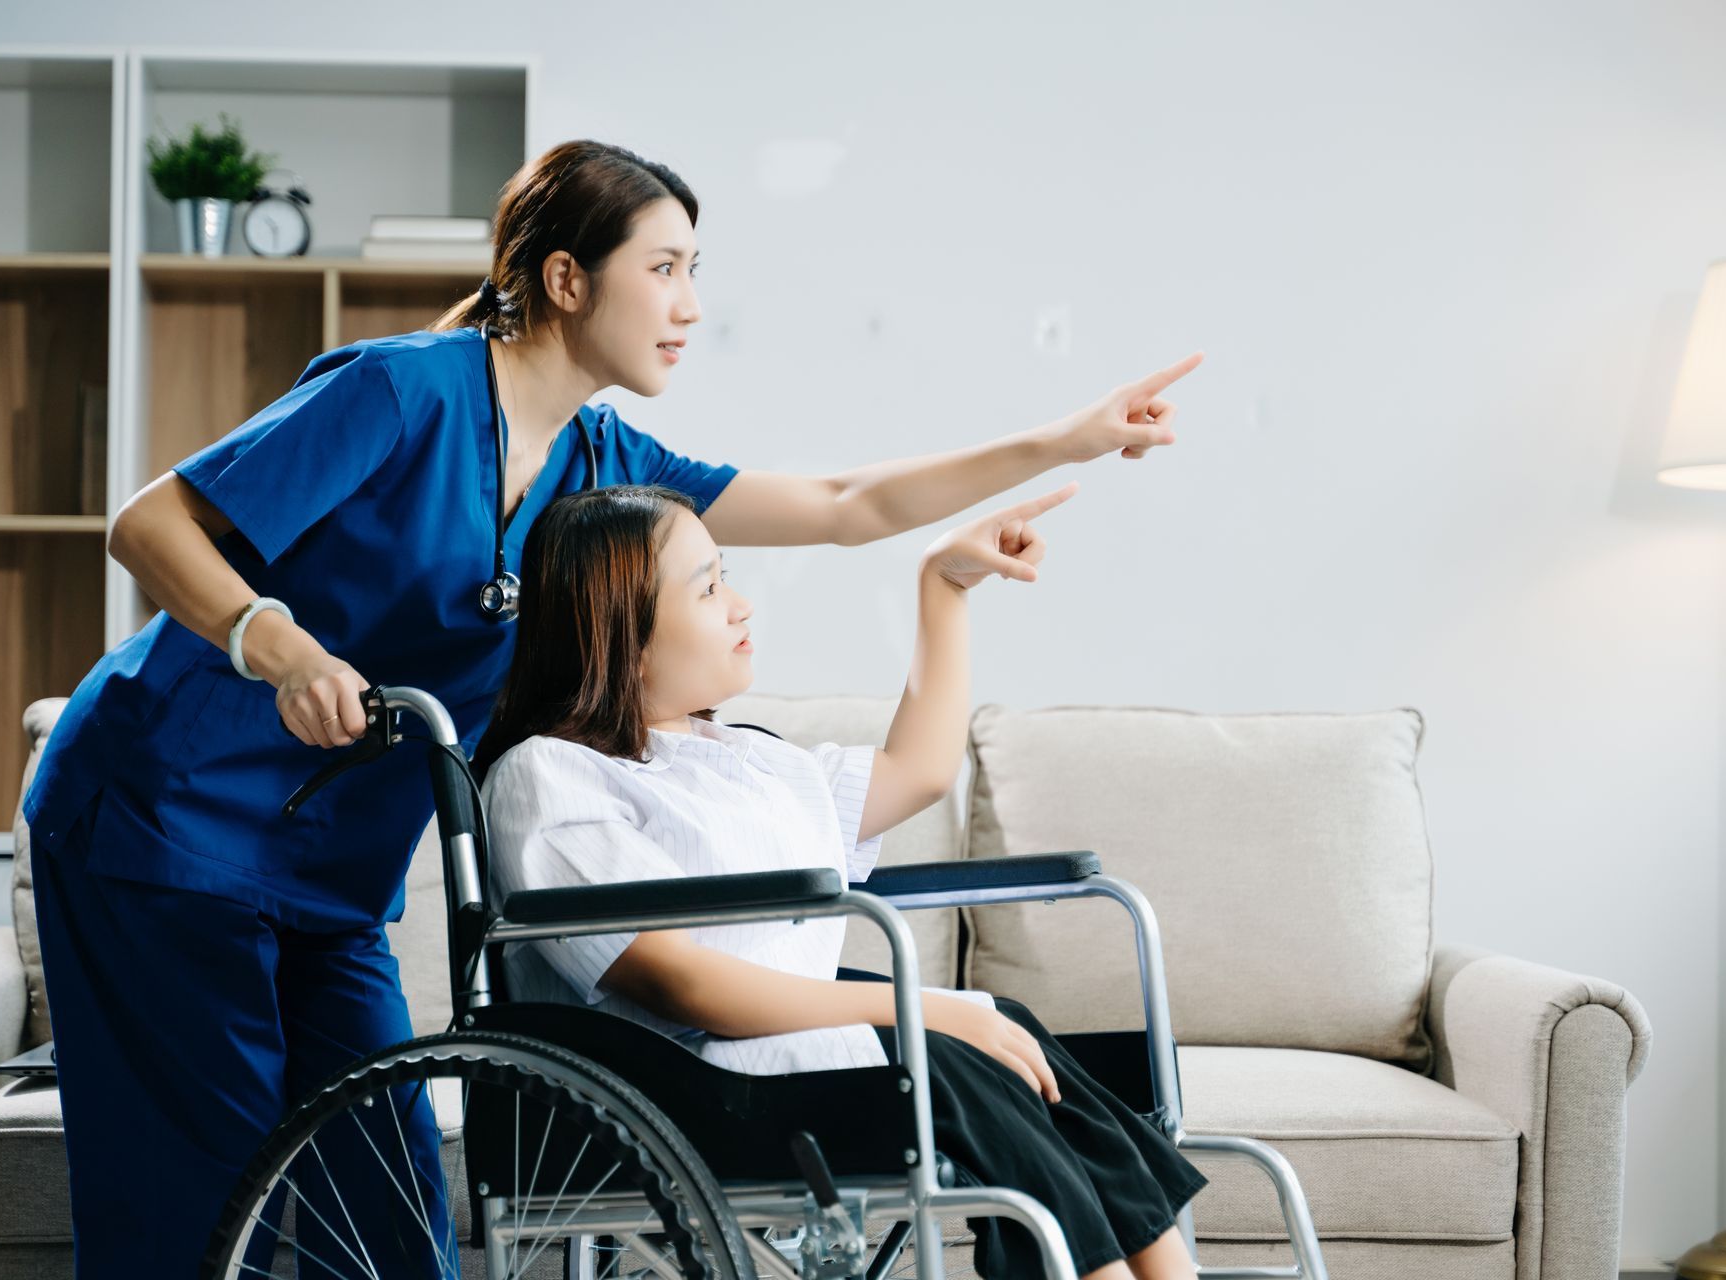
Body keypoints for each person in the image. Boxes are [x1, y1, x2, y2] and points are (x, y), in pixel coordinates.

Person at [23, 137, 1202, 1275]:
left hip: (330, 876)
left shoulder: (598, 461)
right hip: (160, 819)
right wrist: (276, 645)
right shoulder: (400, 391)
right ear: (567, 279)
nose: (689, 303)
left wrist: (1070, 436)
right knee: (198, 1186)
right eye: (666, 267)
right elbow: (150, 523)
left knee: (393, 1211)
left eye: (696, 271)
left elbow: (846, 502)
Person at [477, 482, 1207, 1280]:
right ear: (621, 630)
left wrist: (945, 589)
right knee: (957, 1044)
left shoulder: (743, 759)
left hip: (782, 1057)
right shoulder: (548, 776)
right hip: (682, 1085)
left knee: (1005, 1024)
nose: (742, 606)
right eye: (710, 587)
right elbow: (685, 985)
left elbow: (920, 770)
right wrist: (925, 1007)